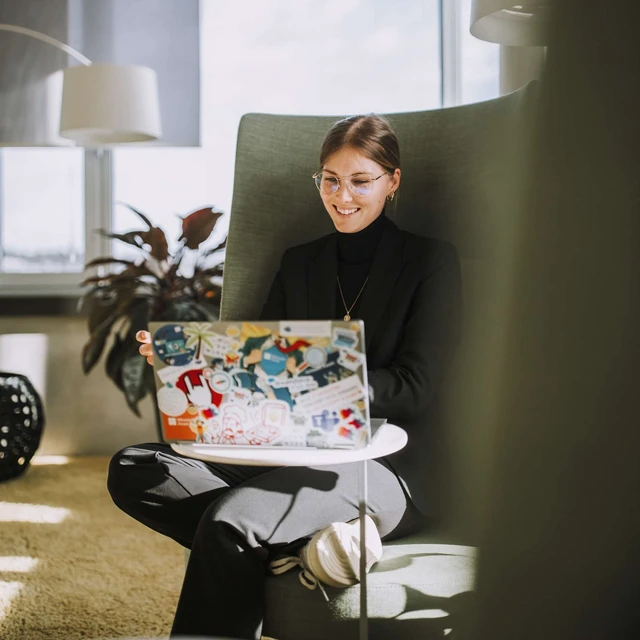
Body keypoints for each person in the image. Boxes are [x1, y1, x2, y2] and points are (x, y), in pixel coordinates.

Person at [107, 114, 462, 640]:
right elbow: (258, 366)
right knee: (136, 467)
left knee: (231, 521)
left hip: (386, 464)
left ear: (393, 181)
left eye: (361, 180)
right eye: (330, 179)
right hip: (286, 450)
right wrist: (196, 367)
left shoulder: (430, 261)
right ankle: (299, 544)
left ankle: (264, 536)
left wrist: (328, 381)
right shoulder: (300, 263)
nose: (342, 195)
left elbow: (419, 387)